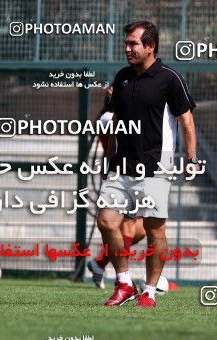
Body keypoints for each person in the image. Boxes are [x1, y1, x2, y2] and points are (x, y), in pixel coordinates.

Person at [97, 21, 197, 307]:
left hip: (156, 165)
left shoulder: (170, 78)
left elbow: (187, 121)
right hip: (121, 166)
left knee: (155, 231)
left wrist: (191, 160)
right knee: (106, 221)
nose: (127, 49)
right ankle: (124, 283)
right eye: (126, 43)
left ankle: (150, 292)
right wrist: (108, 160)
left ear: (150, 46)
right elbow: (116, 121)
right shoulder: (122, 77)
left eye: (133, 44)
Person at [87, 86, 147, 289]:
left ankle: (100, 263)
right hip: (122, 175)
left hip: (133, 174)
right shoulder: (109, 117)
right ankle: (122, 279)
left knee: (139, 230)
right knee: (129, 226)